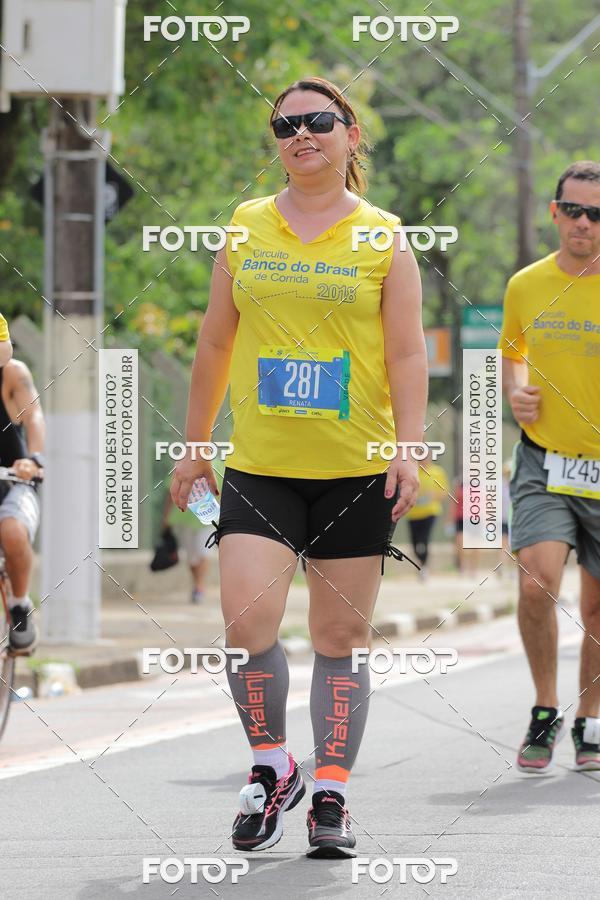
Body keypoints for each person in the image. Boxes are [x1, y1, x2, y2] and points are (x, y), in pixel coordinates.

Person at [171, 76, 427, 857]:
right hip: (262, 465)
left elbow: (407, 351)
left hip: (356, 469)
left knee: (338, 635)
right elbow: (215, 341)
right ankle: (270, 764)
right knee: (246, 620)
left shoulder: (384, 236)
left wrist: (410, 445)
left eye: (319, 121)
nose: (301, 134)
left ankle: (332, 796)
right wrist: (194, 442)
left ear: (351, 135)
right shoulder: (245, 228)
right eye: (285, 125)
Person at [499, 160, 600, 774]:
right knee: (536, 583)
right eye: (573, 210)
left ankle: (590, 719)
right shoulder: (526, 286)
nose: (583, 224)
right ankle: (545, 707)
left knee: (597, 609)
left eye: (597, 214)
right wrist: (517, 390)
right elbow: (513, 353)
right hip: (544, 460)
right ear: (554, 212)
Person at [0, 355, 45, 653]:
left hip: (13, 479)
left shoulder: (11, 373)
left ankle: (19, 606)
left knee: (12, 532)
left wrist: (33, 459)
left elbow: (34, 416)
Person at [162, 491, 214, 604]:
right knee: (192, 558)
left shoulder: (219, 472)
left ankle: (199, 586)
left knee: (204, 553)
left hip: (208, 517)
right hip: (185, 518)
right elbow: (170, 493)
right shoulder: (177, 472)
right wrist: (166, 516)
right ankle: (196, 583)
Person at [405, 451, 448, 579]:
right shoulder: (412, 471)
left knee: (424, 539)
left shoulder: (438, 472)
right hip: (413, 513)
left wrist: (432, 496)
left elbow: (444, 492)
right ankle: (420, 562)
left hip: (430, 512)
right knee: (414, 542)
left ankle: (423, 567)